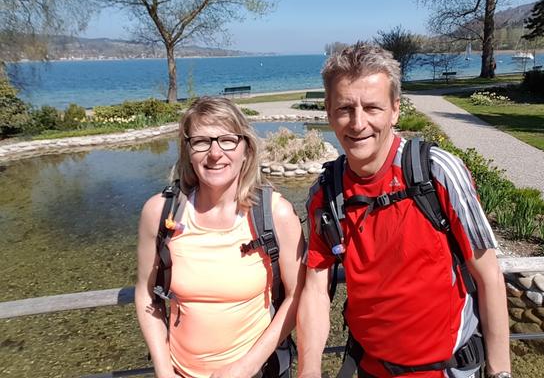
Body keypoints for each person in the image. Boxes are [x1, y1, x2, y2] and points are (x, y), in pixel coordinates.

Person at [296, 44, 511, 378]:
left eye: (372, 108)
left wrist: (501, 373)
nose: (358, 123)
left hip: (448, 371)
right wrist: (308, 371)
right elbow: (314, 290)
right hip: (371, 368)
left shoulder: (436, 172)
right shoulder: (325, 194)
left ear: (395, 110)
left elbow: (490, 277)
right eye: (344, 108)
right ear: (328, 112)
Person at [135, 96, 305, 378]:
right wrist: (164, 370)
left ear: (246, 149)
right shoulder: (159, 213)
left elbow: (298, 295)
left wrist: (245, 367)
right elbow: (145, 294)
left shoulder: (276, 215)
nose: (215, 153)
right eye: (201, 141)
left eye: (227, 140)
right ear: (187, 150)